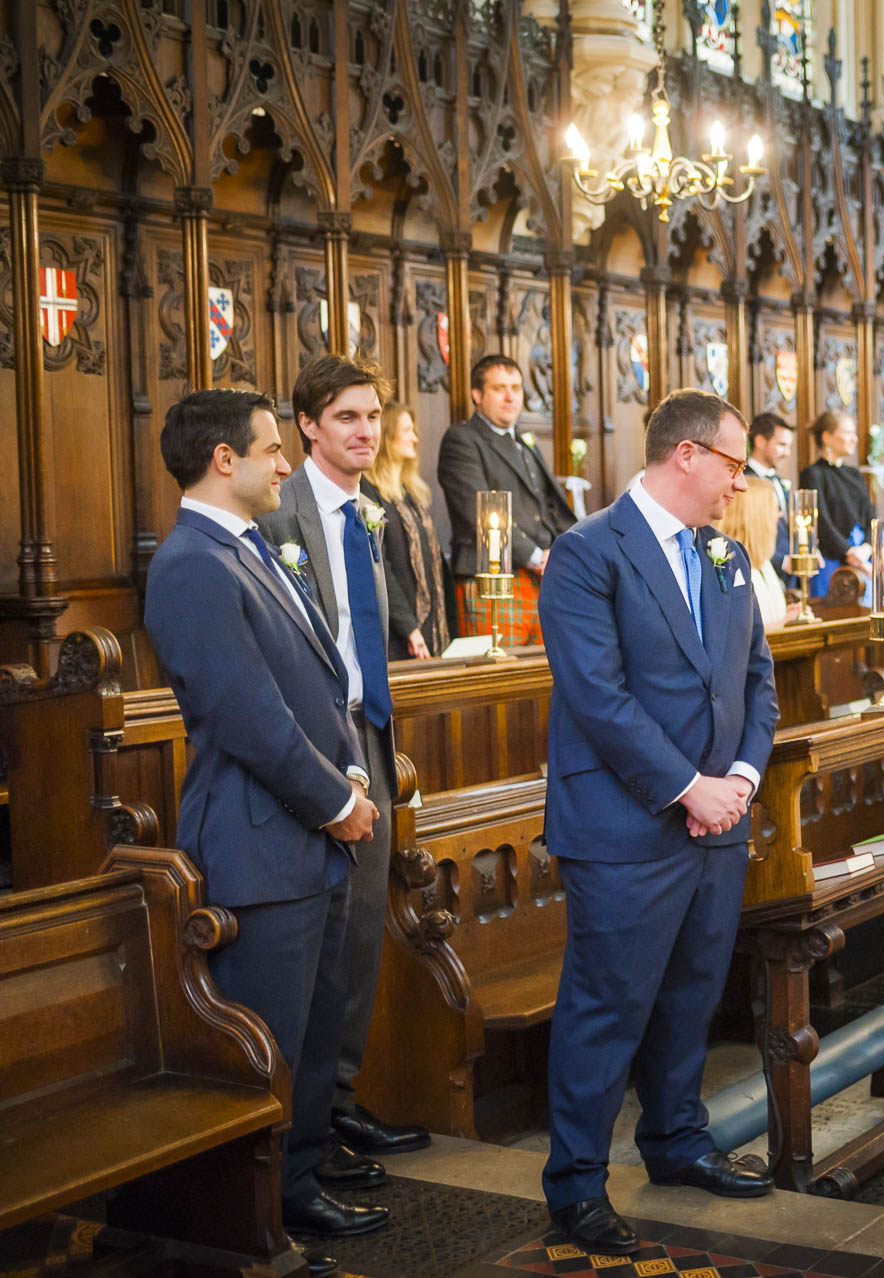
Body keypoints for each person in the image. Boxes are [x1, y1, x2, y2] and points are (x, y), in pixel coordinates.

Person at [145, 389, 387, 1273]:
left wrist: (351, 773)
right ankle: (256, 1222)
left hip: (310, 827)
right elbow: (246, 715)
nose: (285, 462)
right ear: (223, 460)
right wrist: (335, 800)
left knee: (315, 1027)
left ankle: (298, 1186)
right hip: (258, 838)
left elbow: (321, 681)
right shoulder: (190, 564)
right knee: (269, 1041)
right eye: (271, 449)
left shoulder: (249, 547)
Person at [539, 389, 779, 1255]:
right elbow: (597, 698)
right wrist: (689, 786)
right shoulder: (587, 552)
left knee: (690, 998)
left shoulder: (724, 554)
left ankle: (677, 1142)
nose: (737, 482)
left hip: (719, 821)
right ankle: (575, 1185)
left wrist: (742, 776)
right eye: (732, 463)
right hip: (626, 824)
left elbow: (757, 678)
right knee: (607, 1007)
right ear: (686, 454)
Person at [256, 355, 432, 1180]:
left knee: (362, 936)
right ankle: (306, 1133)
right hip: (316, 742)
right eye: (347, 420)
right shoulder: (280, 511)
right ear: (308, 427)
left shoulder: (372, 510)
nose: (365, 432)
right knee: (323, 944)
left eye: (372, 417)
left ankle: (340, 1102)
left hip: (367, 730)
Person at [438, 355, 578, 643]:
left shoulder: (525, 441)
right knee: (498, 678)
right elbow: (476, 510)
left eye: (516, 388)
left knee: (543, 676)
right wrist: (539, 557)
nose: (510, 396)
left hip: (543, 578)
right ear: (477, 394)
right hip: (492, 579)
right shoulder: (462, 440)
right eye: (500, 388)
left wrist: (567, 552)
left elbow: (550, 506)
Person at [365, 400, 450, 660]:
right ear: (387, 437)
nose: (414, 438)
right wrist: (409, 627)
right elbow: (381, 565)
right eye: (407, 431)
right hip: (400, 628)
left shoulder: (411, 491)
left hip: (431, 622)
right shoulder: (369, 492)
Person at [796, 410, 874, 597]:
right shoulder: (813, 474)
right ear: (827, 437)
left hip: (862, 557)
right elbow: (821, 521)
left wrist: (866, 548)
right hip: (831, 560)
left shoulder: (854, 474)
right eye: (847, 433)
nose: (854, 439)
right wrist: (850, 554)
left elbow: (871, 517)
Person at [721, 476, 800, 631]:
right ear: (756, 517)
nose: (779, 516)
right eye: (774, 509)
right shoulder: (728, 566)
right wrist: (784, 622)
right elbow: (742, 634)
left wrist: (787, 614)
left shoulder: (763, 562)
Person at [744, 412, 796, 587]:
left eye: (789, 446)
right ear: (760, 441)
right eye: (781, 445)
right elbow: (743, 532)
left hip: (788, 578)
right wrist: (781, 561)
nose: (787, 453)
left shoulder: (779, 482)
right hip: (760, 574)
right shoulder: (744, 482)